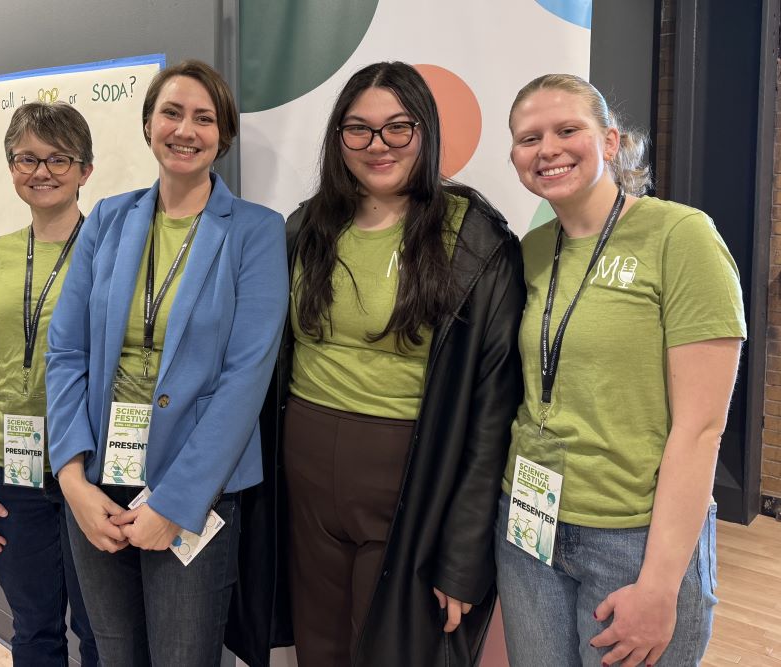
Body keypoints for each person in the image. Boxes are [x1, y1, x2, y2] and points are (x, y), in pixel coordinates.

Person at [261, 61, 525, 667]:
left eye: (397, 128)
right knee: (318, 646)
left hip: (411, 475)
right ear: (338, 139)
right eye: (359, 130)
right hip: (304, 472)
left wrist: (463, 558)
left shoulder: (477, 243)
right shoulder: (307, 228)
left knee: (396, 651)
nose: (377, 145)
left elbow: (492, 415)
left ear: (425, 132)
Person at [496, 73, 745, 667]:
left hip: (634, 537)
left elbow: (701, 427)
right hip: (531, 524)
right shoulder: (532, 250)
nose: (547, 149)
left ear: (610, 142)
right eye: (529, 138)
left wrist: (661, 586)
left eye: (567, 130)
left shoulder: (679, 236)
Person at [45, 59, 288, 667]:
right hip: (98, 483)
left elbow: (246, 379)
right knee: (114, 654)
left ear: (223, 135)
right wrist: (72, 478)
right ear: (148, 124)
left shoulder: (256, 231)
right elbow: (67, 351)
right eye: (172, 113)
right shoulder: (108, 218)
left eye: (204, 118)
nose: (186, 129)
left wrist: (176, 503)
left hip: (195, 489)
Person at [0, 102, 98, 666]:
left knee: (100, 629)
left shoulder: (111, 250)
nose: (42, 171)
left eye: (59, 158)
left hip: (87, 465)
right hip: (7, 467)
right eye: (27, 159)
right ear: (11, 168)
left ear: (86, 170)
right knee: (34, 629)